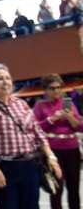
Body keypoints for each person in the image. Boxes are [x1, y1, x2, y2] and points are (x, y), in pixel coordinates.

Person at [0, 63, 63, 209]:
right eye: (0, 79)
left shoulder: (21, 104)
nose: (6, 82)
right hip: (6, 167)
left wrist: (51, 157)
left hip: (30, 165)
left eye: (8, 78)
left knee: (32, 206)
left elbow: (38, 133)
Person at [32, 73, 82, 209]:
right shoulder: (40, 105)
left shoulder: (69, 103)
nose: (56, 91)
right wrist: (52, 119)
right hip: (53, 151)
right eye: (52, 88)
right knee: (56, 188)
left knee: (74, 186)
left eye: (59, 87)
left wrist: (70, 117)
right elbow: (35, 127)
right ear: (46, 90)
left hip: (72, 149)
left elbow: (80, 127)